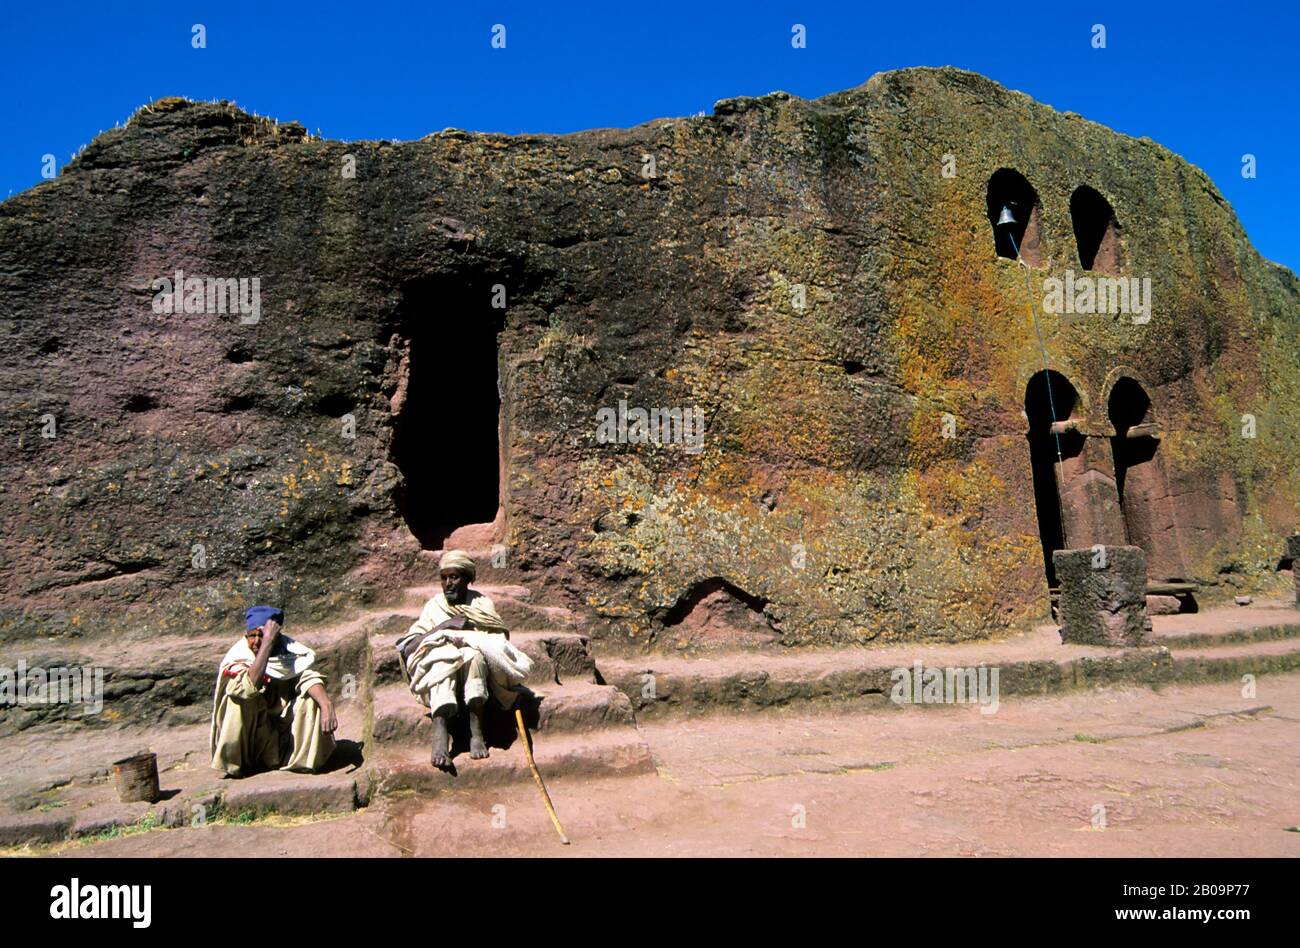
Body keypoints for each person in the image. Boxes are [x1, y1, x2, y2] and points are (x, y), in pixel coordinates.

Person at [396, 550, 532, 769]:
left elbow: (498, 642)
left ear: (468, 579)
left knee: (475, 655)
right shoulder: (434, 606)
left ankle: (476, 730)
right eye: (444, 577)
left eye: (454, 577)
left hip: (475, 671)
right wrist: (444, 628)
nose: (448, 583)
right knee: (442, 657)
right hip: (443, 670)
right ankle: (440, 731)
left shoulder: (481, 604)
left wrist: (469, 638)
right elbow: (408, 646)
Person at [209, 605, 338, 777]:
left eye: (261, 635)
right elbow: (248, 686)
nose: (256, 642)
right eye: (252, 636)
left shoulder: (288, 652)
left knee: (312, 698)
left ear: (277, 637)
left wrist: (326, 704)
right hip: (252, 739)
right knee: (238, 698)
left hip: (281, 736)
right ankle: (237, 764)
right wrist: (267, 644)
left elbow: (307, 677)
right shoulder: (239, 656)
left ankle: (301, 760)